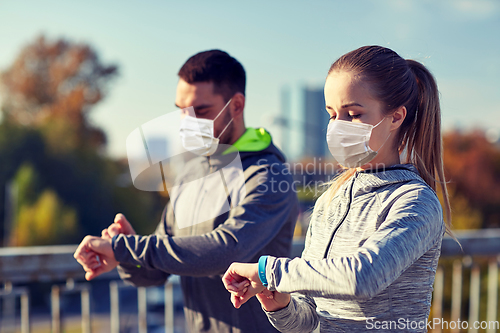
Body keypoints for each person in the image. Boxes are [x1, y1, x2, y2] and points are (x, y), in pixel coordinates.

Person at [223, 45, 453, 333]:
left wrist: (268, 271)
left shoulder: (416, 201)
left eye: (353, 114)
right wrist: (279, 304)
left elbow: (363, 277)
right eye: (332, 114)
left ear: (396, 117)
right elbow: (308, 321)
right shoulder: (330, 200)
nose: (338, 126)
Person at [74, 50, 299, 333]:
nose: (187, 121)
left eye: (200, 110)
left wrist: (127, 248)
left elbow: (225, 251)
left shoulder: (268, 174)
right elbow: (154, 274)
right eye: (181, 109)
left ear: (237, 106)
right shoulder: (191, 173)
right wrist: (128, 255)